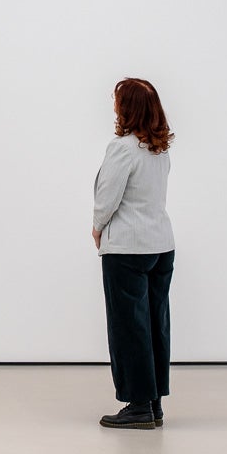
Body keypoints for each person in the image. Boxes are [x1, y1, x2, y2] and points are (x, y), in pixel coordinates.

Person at [91, 77, 175, 429]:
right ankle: (153, 402)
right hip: (161, 245)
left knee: (129, 327)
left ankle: (138, 405)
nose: (113, 104)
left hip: (127, 247)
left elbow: (107, 198)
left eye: (116, 99)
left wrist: (97, 228)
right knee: (155, 324)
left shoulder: (123, 148)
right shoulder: (158, 149)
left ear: (127, 107)